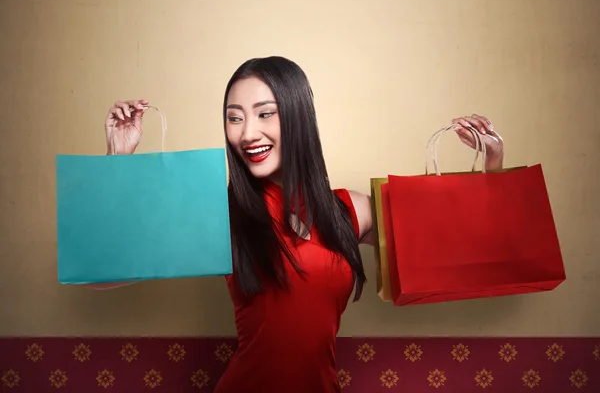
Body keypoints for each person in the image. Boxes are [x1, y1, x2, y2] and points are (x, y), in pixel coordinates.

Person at [87, 56, 505, 393]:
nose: (247, 133)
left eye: (264, 113)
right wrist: (118, 162)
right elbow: (101, 276)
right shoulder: (221, 213)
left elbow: (458, 251)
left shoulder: (350, 211)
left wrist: (490, 164)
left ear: (298, 116)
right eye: (235, 118)